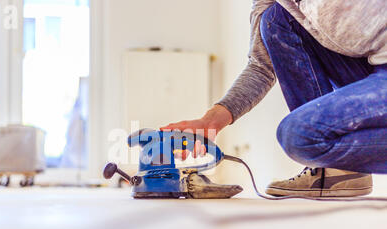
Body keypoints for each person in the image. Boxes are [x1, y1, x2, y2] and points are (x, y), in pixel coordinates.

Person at [161, 0, 387, 197]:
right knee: (276, 20)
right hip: (374, 72)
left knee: (300, 136)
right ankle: (335, 172)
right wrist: (209, 122)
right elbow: (261, 67)